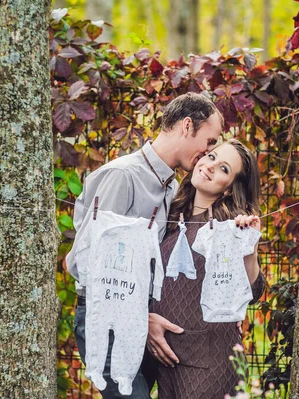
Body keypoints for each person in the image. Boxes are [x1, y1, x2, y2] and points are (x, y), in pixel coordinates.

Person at [64, 92, 224, 398]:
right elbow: (86, 266)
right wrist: (139, 317)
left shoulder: (172, 186)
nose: (207, 152)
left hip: (144, 321)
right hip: (107, 322)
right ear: (187, 126)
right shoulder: (123, 177)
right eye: (209, 141)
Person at [146, 139, 266, 398]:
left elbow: (253, 291)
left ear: (229, 189)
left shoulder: (228, 226)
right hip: (168, 357)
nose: (210, 167)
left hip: (210, 359)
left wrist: (248, 249)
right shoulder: (170, 212)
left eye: (224, 169)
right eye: (211, 157)